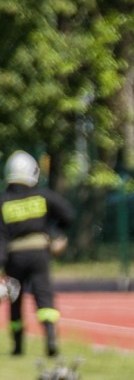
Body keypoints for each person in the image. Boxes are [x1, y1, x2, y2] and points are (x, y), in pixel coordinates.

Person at [0, 151, 75, 357]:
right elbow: (67, 214)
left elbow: (1, 238)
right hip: (39, 254)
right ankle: (50, 334)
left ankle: (17, 346)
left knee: (15, 301)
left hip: (14, 257)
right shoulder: (42, 196)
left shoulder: (4, 202)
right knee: (44, 296)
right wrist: (56, 234)